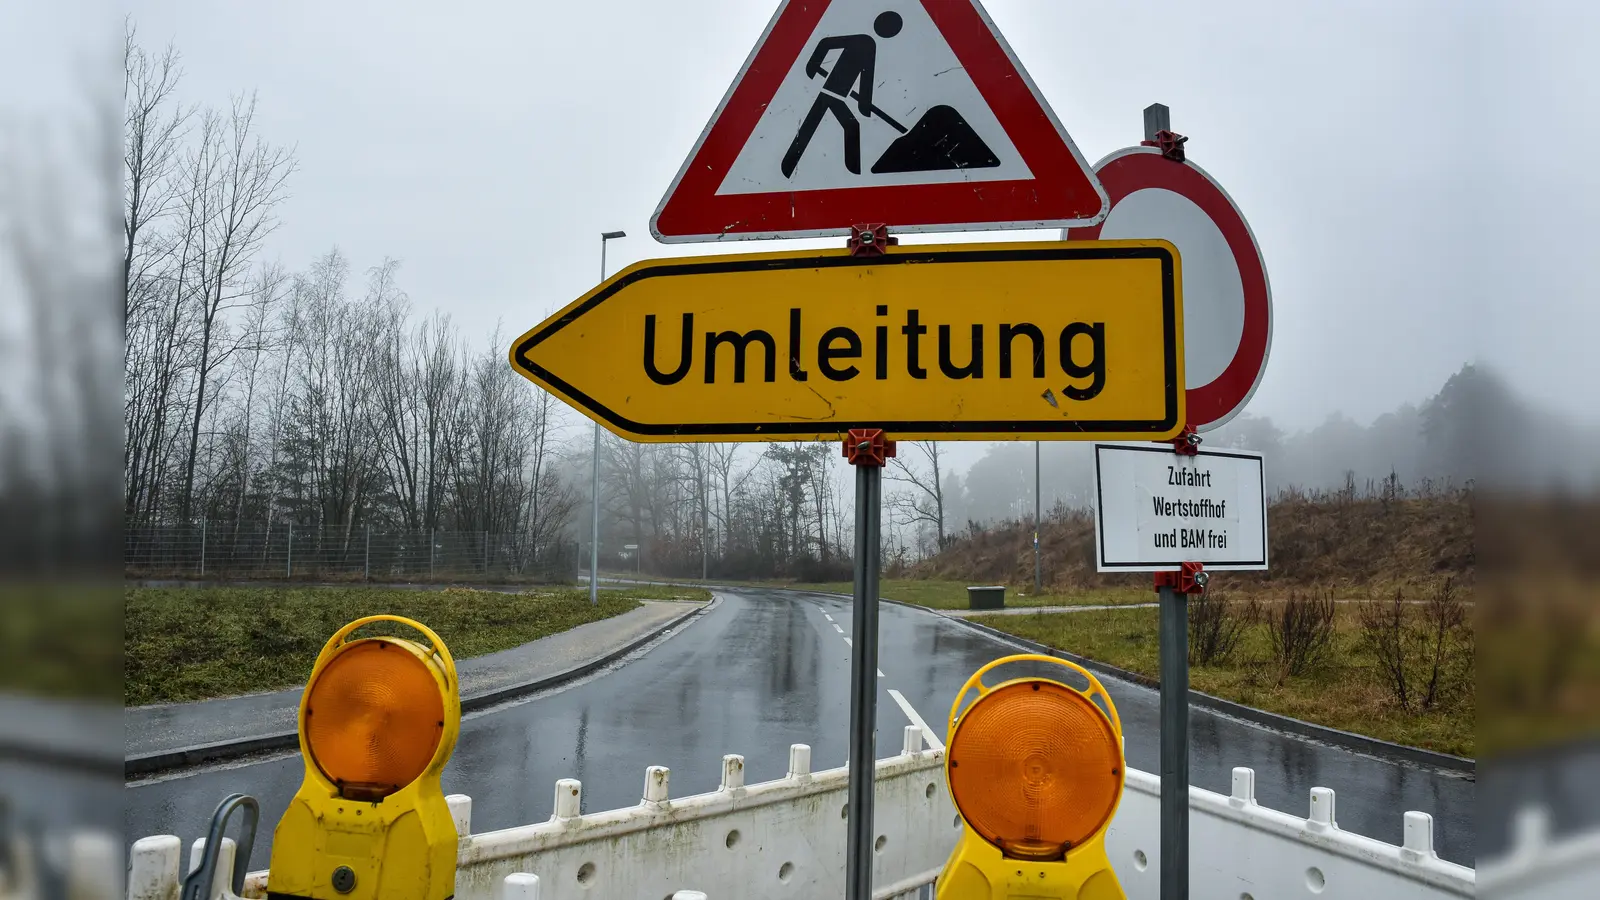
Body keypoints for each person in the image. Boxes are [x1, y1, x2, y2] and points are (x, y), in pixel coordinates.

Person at [781, 11, 903, 178]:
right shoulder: (864, 41)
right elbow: (826, 43)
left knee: (839, 125)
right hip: (829, 92)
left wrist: (864, 104)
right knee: (819, 124)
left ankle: (853, 172)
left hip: (838, 96)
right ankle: (789, 166)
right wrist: (813, 65)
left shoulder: (869, 45)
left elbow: (866, 77)